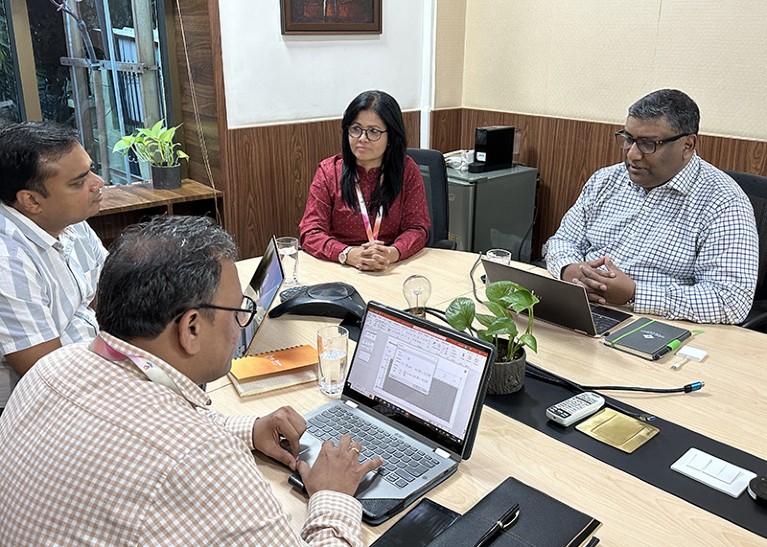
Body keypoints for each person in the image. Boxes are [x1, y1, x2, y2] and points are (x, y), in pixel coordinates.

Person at [0, 215, 382, 545]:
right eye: (239, 310)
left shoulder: (54, 367)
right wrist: (332, 495)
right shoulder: (201, 460)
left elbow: (147, 428)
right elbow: (180, 448)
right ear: (192, 327)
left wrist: (249, 429)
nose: (240, 325)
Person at [545, 89, 758, 324]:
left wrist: (634, 295)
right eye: (628, 139)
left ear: (687, 145)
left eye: (648, 144)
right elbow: (562, 241)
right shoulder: (605, 180)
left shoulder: (723, 201)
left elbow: (731, 300)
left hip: (656, 325)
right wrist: (569, 270)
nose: (632, 155)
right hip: (582, 305)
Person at [0, 121, 107, 414]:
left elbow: (112, 297)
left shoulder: (71, 223)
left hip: (91, 369)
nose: (98, 183)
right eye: (79, 182)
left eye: (90, 170)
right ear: (31, 201)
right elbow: (48, 376)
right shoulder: (7, 261)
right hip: (38, 409)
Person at [299, 90, 430, 272]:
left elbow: (417, 228)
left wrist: (391, 253)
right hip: (339, 267)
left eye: (373, 132)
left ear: (391, 136)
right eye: (355, 129)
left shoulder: (407, 170)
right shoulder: (329, 171)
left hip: (391, 268)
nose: (362, 138)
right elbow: (310, 232)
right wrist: (347, 253)